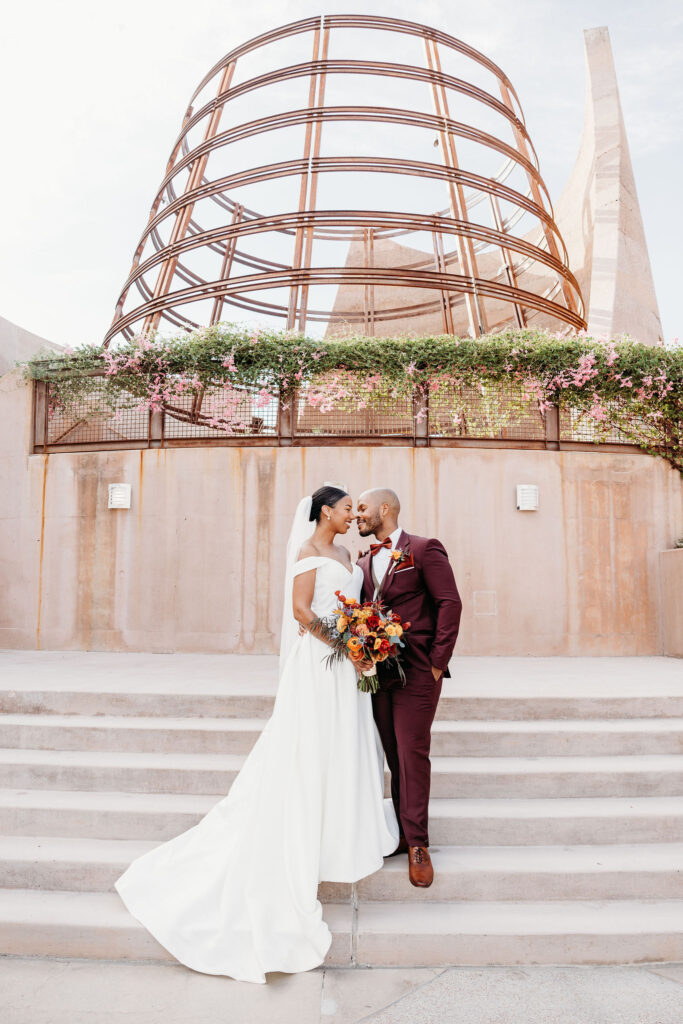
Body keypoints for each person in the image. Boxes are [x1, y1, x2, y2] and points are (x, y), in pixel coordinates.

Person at [114, 486, 399, 983]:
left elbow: (355, 604)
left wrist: (366, 641)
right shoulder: (308, 552)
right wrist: (349, 646)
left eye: (358, 506)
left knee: (343, 750)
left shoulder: (349, 553)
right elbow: (302, 612)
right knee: (308, 751)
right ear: (324, 511)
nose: (354, 512)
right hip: (320, 663)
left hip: (349, 667)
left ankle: (337, 837)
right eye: (347, 506)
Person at [356, 488, 462, 888]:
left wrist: (438, 662)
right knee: (393, 755)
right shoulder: (364, 559)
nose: (358, 516)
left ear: (385, 508)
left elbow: (450, 603)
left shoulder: (423, 548)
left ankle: (419, 844)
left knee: (413, 754)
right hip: (379, 674)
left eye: (363, 508)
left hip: (419, 673)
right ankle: (401, 834)